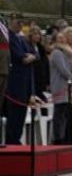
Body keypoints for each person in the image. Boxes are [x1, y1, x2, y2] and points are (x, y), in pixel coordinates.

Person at [3, 16, 37, 144]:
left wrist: (31, 56)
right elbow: (19, 56)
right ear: (11, 22)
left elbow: (34, 53)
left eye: (22, 23)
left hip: (25, 83)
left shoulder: (22, 39)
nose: (20, 25)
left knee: (21, 114)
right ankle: (11, 140)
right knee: (14, 114)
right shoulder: (9, 37)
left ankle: (16, 138)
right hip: (15, 83)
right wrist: (28, 57)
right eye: (18, 22)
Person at [49, 28, 72, 145]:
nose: (62, 39)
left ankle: (64, 137)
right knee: (59, 114)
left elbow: (70, 68)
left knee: (64, 114)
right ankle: (58, 138)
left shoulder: (65, 52)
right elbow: (63, 70)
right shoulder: (56, 53)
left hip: (67, 87)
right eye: (59, 38)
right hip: (60, 86)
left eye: (63, 37)